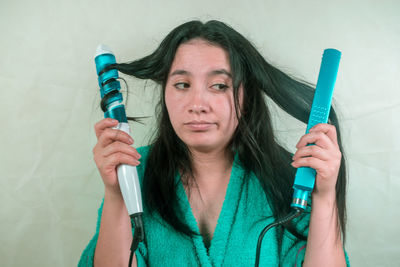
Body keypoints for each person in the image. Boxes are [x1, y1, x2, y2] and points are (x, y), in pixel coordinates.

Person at [79, 20, 349, 266]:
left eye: (219, 86)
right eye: (182, 84)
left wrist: (324, 198)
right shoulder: (133, 173)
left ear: (246, 99)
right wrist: (116, 195)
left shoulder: (289, 182)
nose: (197, 105)